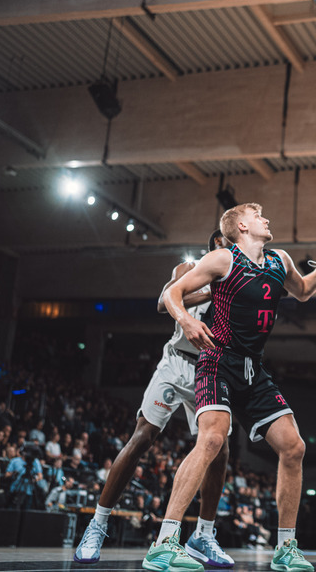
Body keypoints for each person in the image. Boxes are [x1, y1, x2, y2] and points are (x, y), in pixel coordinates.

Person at [147, 207, 316, 572]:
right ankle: (164, 542)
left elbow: (302, 292)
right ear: (241, 225)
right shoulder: (223, 258)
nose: (266, 218)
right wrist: (186, 320)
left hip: (254, 369)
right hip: (218, 361)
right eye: (258, 214)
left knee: (294, 447)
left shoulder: (279, 260)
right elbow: (172, 293)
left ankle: (286, 548)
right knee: (212, 440)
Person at [74, 231, 235, 567]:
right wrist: (211, 290)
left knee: (220, 450)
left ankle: (203, 536)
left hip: (210, 369)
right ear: (213, 247)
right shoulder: (190, 269)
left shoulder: (242, 282)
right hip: (176, 363)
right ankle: (97, 524)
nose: (229, 248)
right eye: (224, 243)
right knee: (143, 437)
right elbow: (164, 302)